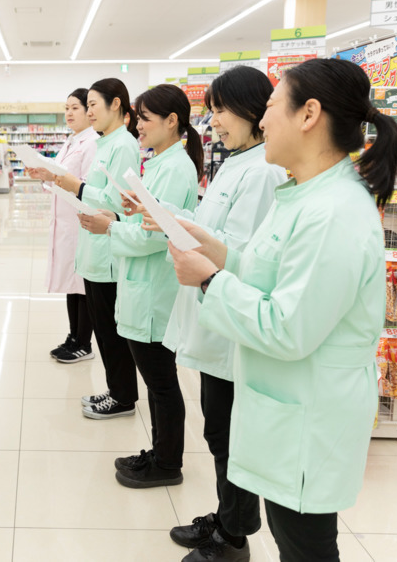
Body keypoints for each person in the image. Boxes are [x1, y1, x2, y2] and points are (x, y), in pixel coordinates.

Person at [167, 58, 397, 562]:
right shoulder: (302, 193)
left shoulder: (333, 211)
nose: (264, 120)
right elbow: (269, 270)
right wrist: (219, 253)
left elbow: (288, 327)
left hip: (310, 421)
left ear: (308, 114)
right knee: (292, 537)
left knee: (307, 548)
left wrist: (209, 281)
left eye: (271, 107)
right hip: (287, 411)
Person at [137, 67, 286, 560]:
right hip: (216, 310)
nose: (214, 121)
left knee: (228, 433)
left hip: (232, 317)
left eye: (220, 110)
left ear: (252, 110)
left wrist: (183, 233)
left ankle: (233, 535)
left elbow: (241, 251)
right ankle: (227, 518)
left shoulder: (263, 169)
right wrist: (166, 217)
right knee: (219, 429)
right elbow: (213, 228)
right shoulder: (239, 161)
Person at [80, 84, 204, 487]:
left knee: (162, 382)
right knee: (155, 381)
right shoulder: (163, 162)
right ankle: (160, 450)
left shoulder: (175, 167)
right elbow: (151, 221)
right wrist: (129, 214)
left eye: (145, 119)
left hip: (154, 290)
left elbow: (153, 237)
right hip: (144, 286)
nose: (139, 128)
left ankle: (168, 464)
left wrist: (111, 225)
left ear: (172, 121)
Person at [54, 78, 141, 419]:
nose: (88, 111)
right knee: (104, 332)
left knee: (112, 332)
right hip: (93, 249)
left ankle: (123, 397)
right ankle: (116, 390)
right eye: (84, 105)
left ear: (116, 104)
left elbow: (114, 202)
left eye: (92, 104)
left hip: (107, 254)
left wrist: (78, 187)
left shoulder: (123, 146)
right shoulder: (106, 143)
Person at [27, 89, 98, 363]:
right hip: (66, 224)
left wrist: (54, 177)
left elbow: (88, 186)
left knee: (82, 285)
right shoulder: (71, 142)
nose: (69, 113)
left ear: (89, 112)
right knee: (71, 283)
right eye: (66, 108)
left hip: (81, 223)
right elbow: (58, 177)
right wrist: (43, 174)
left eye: (75, 108)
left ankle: (84, 343)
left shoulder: (92, 143)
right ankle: (73, 337)